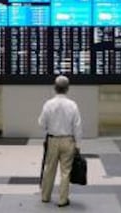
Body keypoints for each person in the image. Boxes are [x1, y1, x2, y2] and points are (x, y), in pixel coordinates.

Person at [38, 75, 83, 207]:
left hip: (52, 140)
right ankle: (63, 200)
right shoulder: (73, 105)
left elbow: (41, 123)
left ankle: (45, 196)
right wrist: (78, 144)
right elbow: (77, 126)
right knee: (66, 171)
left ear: (55, 88)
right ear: (67, 88)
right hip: (68, 141)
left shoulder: (48, 104)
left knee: (49, 169)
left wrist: (49, 127)